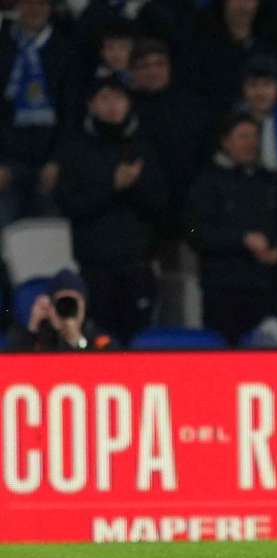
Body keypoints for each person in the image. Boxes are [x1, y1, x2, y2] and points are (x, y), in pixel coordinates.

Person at [56, 75, 166, 344]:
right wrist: (112, 185)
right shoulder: (76, 149)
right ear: (91, 104)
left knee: (138, 341)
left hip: (137, 265)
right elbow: (69, 205)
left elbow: (161, 204)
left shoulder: (144, 147)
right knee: (98, 341)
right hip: (95, 267)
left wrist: (134, 186)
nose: (112, 105)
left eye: (118, 98)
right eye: (104, 98)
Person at [187, 112, 277, 346]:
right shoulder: (207, 182)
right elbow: (198, 235)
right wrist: (242, 239)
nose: (251, 144)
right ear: (226, 142)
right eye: (243, 136)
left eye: (255, 137)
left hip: (267, 291)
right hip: (222, 293)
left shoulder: (272, 183)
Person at [0, 0, 70, 224]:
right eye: (27, 2)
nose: (34, 9)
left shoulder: (65, 49)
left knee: (49, 244)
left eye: (40, 3)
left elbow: (72, 112)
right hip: (6, 166)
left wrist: (57, 160)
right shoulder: (3, 45)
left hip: (50, 167)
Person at [129, 37, 207, 237]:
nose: (153, 71)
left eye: (159, 64)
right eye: (144, 65)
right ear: (133, 71)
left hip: (188, 207)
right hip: (139, 211)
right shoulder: (124, 110)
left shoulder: (191, 107)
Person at [7, 268, 115, 351]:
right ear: (51, 306)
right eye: (61, 303)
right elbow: (11, 367)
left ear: (84, 306)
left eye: (72, 303)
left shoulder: (100, 340)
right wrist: (33, 327)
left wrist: (76, 339)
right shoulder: (39, 339)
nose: (67, 308)